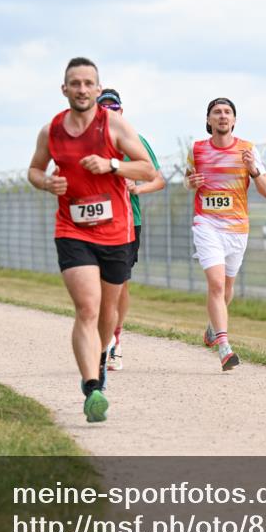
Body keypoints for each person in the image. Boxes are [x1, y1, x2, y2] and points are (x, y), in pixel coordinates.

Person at [27, 57, 158, 423]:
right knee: (87, 307)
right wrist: (46, 182)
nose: (82, 89)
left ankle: (101, 356)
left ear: (97, 90)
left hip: (116, 230)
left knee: (108, 312)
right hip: (73, 228)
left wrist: (112, 165)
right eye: (75, 83)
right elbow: (34, 170)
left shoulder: (114, 125)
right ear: (64, 89)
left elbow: (147, 168)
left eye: (88, 83)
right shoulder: (51, 131)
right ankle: (92, 388)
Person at [186, 97, 266, 370]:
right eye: (217, 112)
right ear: (209, 120)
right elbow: (188, 180)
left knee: (227, 287)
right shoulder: (197, 149)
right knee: (216, 284)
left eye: (227, 112)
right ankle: (224, 346)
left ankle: (213, 328)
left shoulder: (248, 150)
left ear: (234, 120)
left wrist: (253, 170)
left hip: (236, 229)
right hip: (206, 224)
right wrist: (190, 183)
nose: (222, 116)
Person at [94, 88, 165, 371]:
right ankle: (99, 340)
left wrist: (138, 187)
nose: (109, 112)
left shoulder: (135, 140)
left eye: (114, 108)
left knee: (119, 282)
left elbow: (158, 179)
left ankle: (115, 340)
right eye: (104, 107)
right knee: (94, 283)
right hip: (95, 221)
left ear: (121, 111)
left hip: (127, 221)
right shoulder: (87, 142)